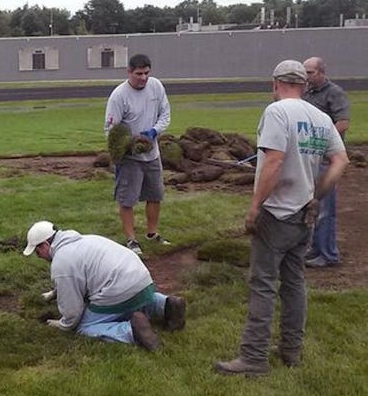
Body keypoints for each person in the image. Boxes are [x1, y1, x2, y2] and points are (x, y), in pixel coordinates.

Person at [215, 60, 349, 376]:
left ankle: (253, 358)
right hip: (304, 214)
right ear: (303, 85)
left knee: (263, 284)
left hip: (277, 213)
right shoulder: (319, 118)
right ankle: (291, 352)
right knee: (294, 284)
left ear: (275, 83)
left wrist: (254, 207)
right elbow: (340, 160)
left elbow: (273, 162)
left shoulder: (276, 113)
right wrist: (317, 196)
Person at [23, 220, 186, 351]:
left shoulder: (61, 262)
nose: (40, 257)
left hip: (119, 290)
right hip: (143, 280)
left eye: (38, 253)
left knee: (85, 326)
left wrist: (62, 325)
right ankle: (166, 305)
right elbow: (77, 277)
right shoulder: (86, 239)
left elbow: (72, 312)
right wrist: (54, 293)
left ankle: (131, 332)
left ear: (44, 245)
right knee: (136, 299)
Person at [104, 53, 171, 256]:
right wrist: (127, 146)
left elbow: (165, 115)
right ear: (129, 72)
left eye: (146, 73)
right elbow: (110, 129)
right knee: (127, 199)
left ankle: (152, 233)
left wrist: (153, 132)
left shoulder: (156, 87)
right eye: (139, 74)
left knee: (155, 195)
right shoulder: (119, 96)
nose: (143, 78)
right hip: (130, 158)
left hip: (152, 153)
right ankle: (131, 239)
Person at [302, 56, 351, 268]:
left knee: (325, 208)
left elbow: (343, 123)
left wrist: (321, 140)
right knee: (312, 205)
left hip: (327, 159)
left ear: (322, 72)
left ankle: (329, 254)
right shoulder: (306, 94)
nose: (306, 76)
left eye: (310, 72)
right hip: (310, 158)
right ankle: (315, 248)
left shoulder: (335, 93)